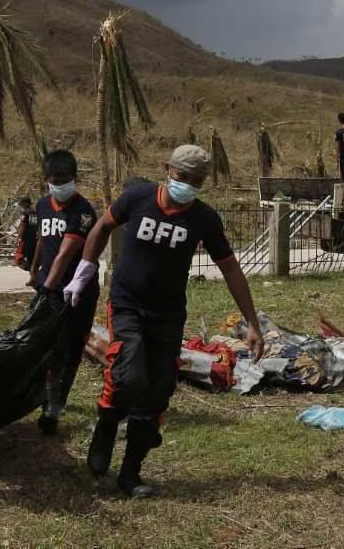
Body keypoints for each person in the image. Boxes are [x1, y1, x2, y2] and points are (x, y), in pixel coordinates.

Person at [61, 145, 264, 499]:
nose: (187, 185)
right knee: (130, 374)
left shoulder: (203, 218)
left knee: (157, 393)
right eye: (182, 177)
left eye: (196, 180)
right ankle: (107, 425)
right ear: (167, 169)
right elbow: (103, 226)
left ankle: (130, 474)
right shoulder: (137, 198)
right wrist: (85, 269)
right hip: (126, 304)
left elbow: (230, 268)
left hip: (168, 314)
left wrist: (253, 322)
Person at [26, 150, 99, 435]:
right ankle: (48, 401)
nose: (62, 185)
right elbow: (44, 242)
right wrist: (34, 271)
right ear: (47, 180)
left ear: (75, 179)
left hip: (77, 291)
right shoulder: (43, 206)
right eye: (57, 180)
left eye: (67, 180)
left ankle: (57, 403)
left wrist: (46, 289)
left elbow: (66, 255)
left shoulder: (83, 211)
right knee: (50, 348)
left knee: (71, 348)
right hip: (49, 288)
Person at [14, 196, 38, 271]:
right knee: (31, 259)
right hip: (34, 239)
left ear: (24, 204)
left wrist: (18, 238)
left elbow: (23, 226)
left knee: (18, 258)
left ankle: (31, 270)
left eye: (21, 204)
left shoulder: (24, 213)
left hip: (25, 239)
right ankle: (33, 274)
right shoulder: (35, 213)